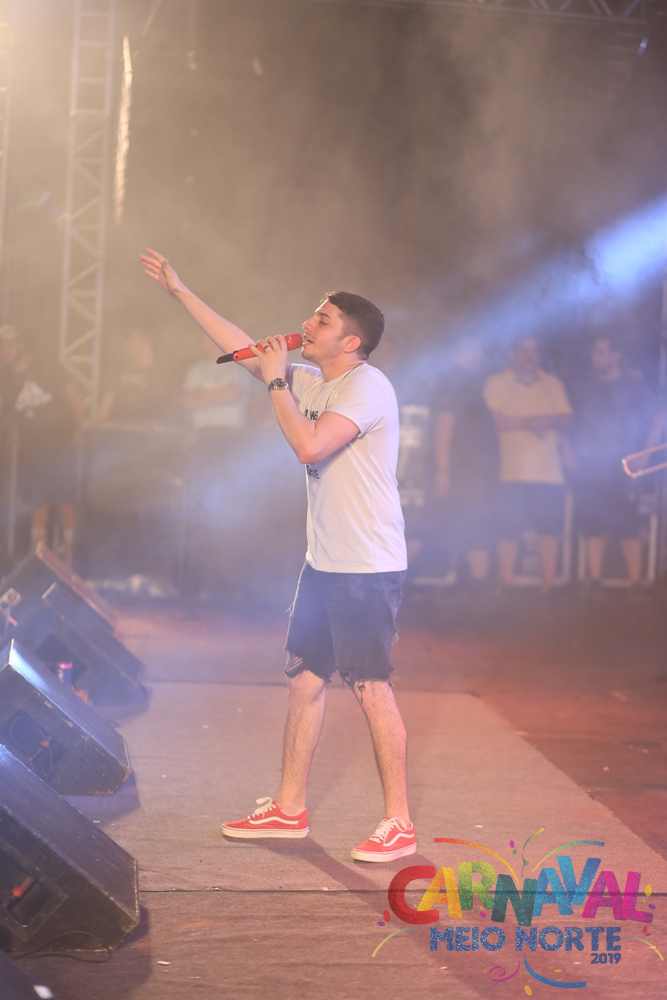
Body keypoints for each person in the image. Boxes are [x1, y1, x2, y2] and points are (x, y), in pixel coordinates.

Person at [139, 247, 414, 862]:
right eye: (312, 315)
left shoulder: (366, 387)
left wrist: (275, 379)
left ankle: (399, 821)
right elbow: (242, 347)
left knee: (369, 687)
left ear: (351, 342)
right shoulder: (313, 379)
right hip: (325, 562)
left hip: (366, 568)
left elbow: (310, 447)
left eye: (322, 320)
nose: (307, 324)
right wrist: (181, 291)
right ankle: (290, 809)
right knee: (305, 681)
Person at [570, 334, 658, 598]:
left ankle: (636, 585)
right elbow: (571, 422)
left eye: (600, 351)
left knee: (627, 525)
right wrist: (568, 452)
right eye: (593, 351)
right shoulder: (584, 388)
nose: (594, 356)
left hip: (621, 465)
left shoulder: (633, 386)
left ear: (616, 355)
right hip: (590, 464)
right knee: (592, 525)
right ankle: (594, 583)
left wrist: (645, 452)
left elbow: (659, 416)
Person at [483, 337, 573, 594]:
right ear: (512, 354)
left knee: (549, 532)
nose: (529, 355)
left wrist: (536, 421)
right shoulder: (497, 382)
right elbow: (497, 421)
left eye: (534, 350)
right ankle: (507, 585)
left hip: (550, 473)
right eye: (523, 350)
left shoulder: (552, 383)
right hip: (511, 471)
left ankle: (549, 587)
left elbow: (568, 419)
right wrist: (530, 423)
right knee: (508, 531)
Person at [0, 325, 83, 563]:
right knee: (38, 498)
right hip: (32, 448)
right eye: (1, 347)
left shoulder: (47, 366)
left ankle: (71, 553)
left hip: (61, 443)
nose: (4, 351)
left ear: (21, 345)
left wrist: (80, 427)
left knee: (66, 496)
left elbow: (73, 393)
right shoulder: (6, 380)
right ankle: (37, 555)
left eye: (8, 345)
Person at [430, 337, 499, 587]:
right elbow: (444, 428)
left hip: (477, 469)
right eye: (470, 350)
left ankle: (469, 585)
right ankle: (474, 587)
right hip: (464, 470)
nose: (477, 355)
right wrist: (443, 471)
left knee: (472, 524)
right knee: (470, 524)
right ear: (457, 353)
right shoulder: (455, 383)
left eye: (478, 350)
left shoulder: (474, 383)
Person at [97, 327, 172, 423]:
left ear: (146, 344)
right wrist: (98, 427)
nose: (127, 343)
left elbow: (168, 408)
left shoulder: (162, 373)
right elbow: (107, 402)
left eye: (133, 339)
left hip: (150, 429)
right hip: (120, 428)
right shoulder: (120, 369)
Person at [183, 333, 248, 429]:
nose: (209, 344)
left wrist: (201, 394)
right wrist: (219, 395)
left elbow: (231, 395)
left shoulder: (237, 366)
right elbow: (188, 401)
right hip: (201, 432)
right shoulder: (196, 370)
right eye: (206, 340)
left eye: (212, 339)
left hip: (231, 431)